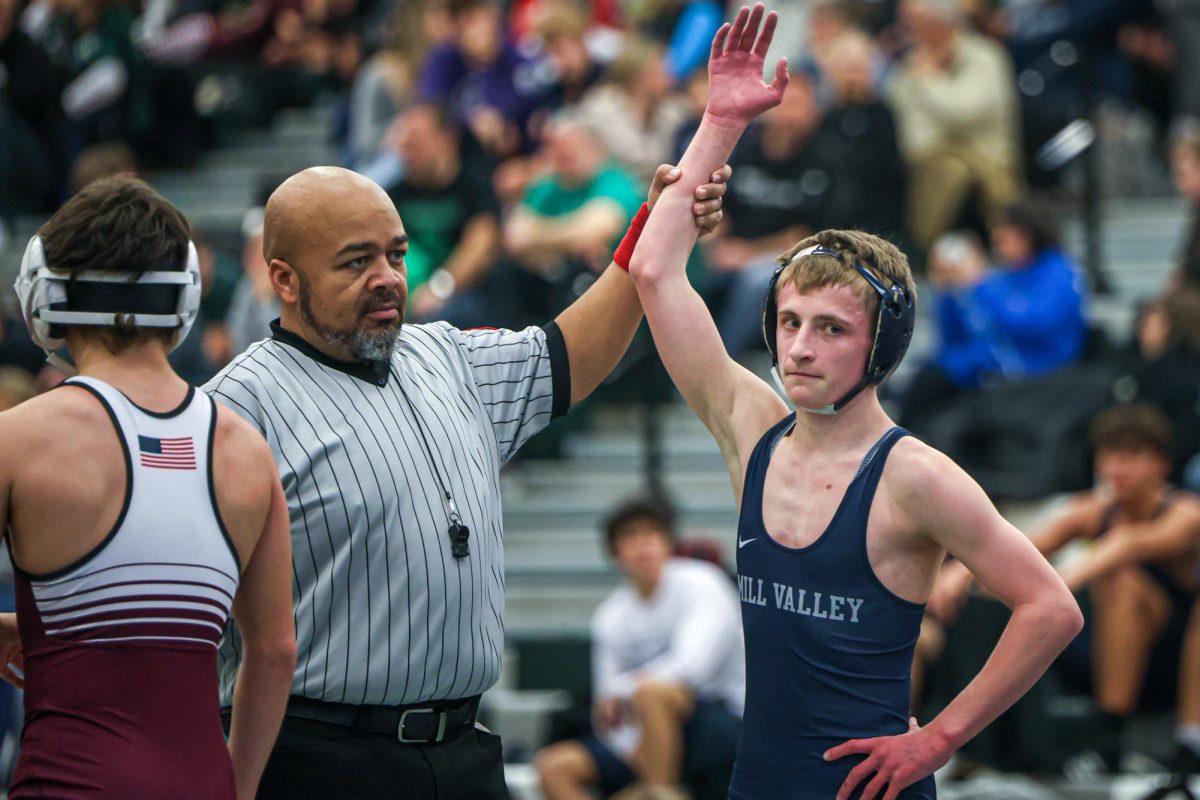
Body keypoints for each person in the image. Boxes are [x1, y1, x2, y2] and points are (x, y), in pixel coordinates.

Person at [626, 6, 1084, 798]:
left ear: (882, 347)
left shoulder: (915, 477)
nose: (800, 346)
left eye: (831, 328)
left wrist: (937, 739)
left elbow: (1050, 608)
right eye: (791, 322)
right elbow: (654, 274)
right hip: (759, 782)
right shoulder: (752, 427)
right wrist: (721, 124)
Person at [201, 158, 730, 794]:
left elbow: (570, 355)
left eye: (395, 256)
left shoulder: (444, 354)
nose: (387, 279)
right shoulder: (233, 411)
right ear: (283, 278)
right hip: (318, 758)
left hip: (463, 755)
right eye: (355, 262)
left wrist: (654, 226)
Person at [0, 175, 295, 799]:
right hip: (200, 782)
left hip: (68, 783)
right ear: (185, 297)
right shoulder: (243, 451)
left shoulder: (21, 439)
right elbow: (272, 653)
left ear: (44, 293)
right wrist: (234, 789)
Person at [929, 404, 1200, 771]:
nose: (1117, 468)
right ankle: (1006, 742)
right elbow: (1019, 544)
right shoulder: (1092, 511)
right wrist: (959, 573)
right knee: (991, 597)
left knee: (1121, 581)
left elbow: (1128, 544)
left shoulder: (1184, 513)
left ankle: (1154, 735)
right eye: (1110, 455)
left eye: (1132, 456)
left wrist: (1050, 590)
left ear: (1161, 464)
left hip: (1173, 659)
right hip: (1102, 653)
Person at [536, 497, 744, 800]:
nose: (642, 545)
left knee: (651, 693)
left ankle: (654, 791)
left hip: (719, 720)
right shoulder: (611, 615)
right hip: (644, 735)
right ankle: (654, 788)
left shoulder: (703, 583)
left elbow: (690, 670)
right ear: (614, 552)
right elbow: (604, 710)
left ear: (668, 541)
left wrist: (623, 690)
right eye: (630, 536)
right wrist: (631, 748)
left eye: (651, 534)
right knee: (553, 767)